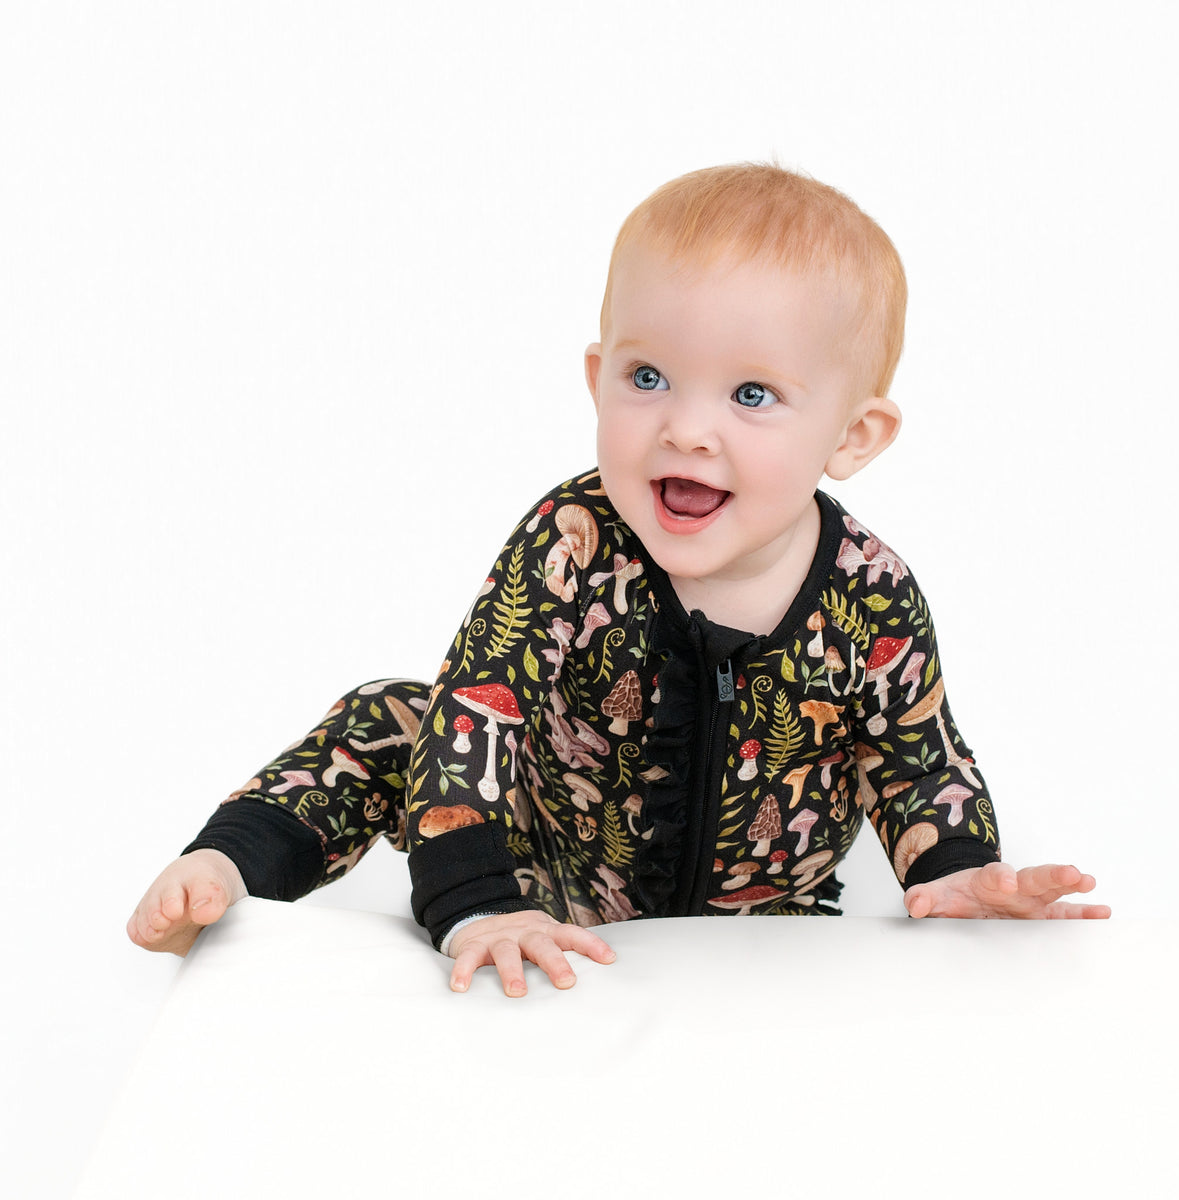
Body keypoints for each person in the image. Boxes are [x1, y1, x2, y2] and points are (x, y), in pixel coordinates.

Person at [129, 163, 1109, 992]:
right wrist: (476, 904)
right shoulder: (572, 538)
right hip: (553, 875)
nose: (685, 426)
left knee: (919, 776)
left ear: (853, 436)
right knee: (404, 713)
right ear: (597, 375)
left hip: (767, 935)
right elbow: (485, 704)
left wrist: (960, 869)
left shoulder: (870, 592)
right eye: (648, 378)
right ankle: (231, 863)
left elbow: (916, 754)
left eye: (753, 394)